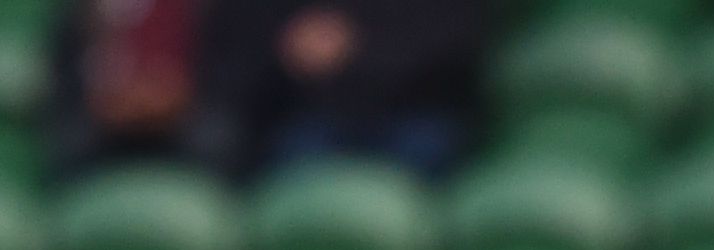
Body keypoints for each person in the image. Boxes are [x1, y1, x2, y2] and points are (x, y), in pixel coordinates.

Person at [233, 0, 490, 177]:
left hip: (418, 114)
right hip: (318, 116)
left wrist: (355, 52)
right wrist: (291, 49)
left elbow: (457, 46)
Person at [45, 0, 249, 178]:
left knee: (218, 141)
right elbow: (68, 72)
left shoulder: (209, 8)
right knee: (70, 144)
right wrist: (107, 102)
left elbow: (230, 70)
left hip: (189, 113)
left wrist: (177, 100)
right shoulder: (87, 10)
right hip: (105, 117)